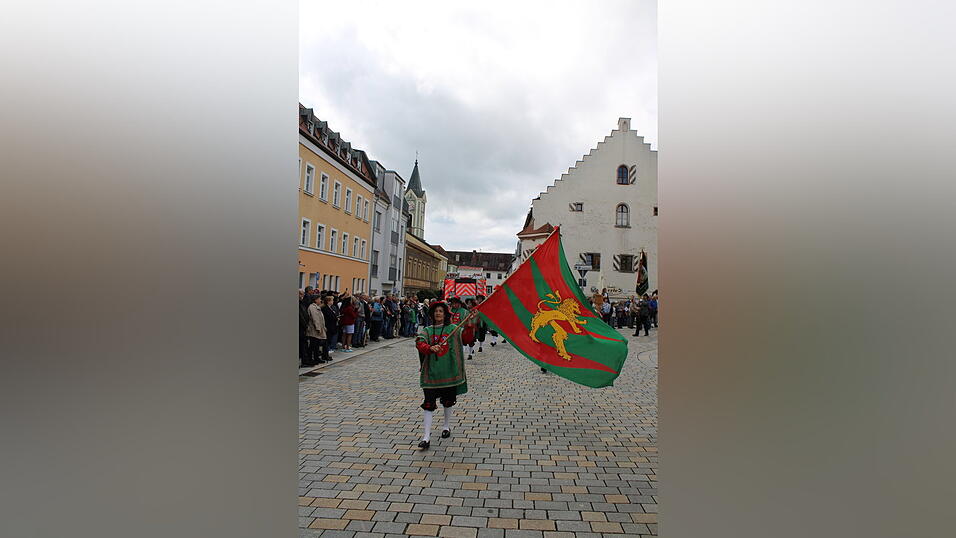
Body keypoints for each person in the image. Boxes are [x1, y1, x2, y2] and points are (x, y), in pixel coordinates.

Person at [414, 301, 472, 450]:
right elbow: (419, 343)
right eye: (436, 311)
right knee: (428, 404)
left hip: (448, 373)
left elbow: (466, 338)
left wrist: (471, 323)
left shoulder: (453, 329)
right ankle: (426, 437)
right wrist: (429, 347)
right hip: (431, 374)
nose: (438, 313)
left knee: (447, 401)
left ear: (445, 314)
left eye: (441, 311)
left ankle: (446, 426)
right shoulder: (427, 330)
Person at [305, 293, 328, 364]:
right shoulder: (312, 307)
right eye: (319, 299)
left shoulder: (316, 307)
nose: (320, 300)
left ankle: (316, 358)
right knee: (313, 345)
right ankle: (311, 358)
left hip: (318, 329)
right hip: (314, 330)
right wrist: (318, 328)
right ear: (315, 300)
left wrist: (323, 327)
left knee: (316, 345)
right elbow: (315, 319)